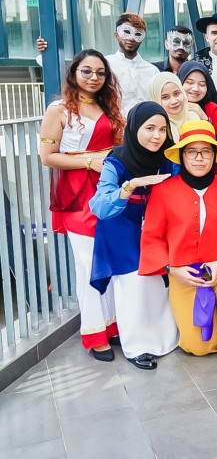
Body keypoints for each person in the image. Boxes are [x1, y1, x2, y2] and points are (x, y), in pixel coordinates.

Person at [140, 120, 217, 382]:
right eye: (192, 151)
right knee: (198, 347)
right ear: (182, 155)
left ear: (214, 155)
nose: (199, 158)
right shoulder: (163, 192)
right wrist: (172, 269)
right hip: (184, 273)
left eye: (206, 151)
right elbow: (152, 237)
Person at [39, 49, 125, 360]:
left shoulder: (109, 106)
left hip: (108, 189)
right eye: (86, 71)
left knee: (111, 261)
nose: (93, 77)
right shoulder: (59, 110)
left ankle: (112, 326)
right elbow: (48, 157)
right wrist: (90, 161)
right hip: (76, 195)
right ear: (74, 72)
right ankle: (93, 333)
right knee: (88, 264)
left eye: (100, 72)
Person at [88, 102, 177, 370]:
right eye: (149, 128)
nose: (157, 136)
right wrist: (131, 185)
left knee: (160, 285)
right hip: (121, 230)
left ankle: (167, 339)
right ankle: (137, 346)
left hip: (156, 229)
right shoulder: (116, 161)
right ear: (135, 128)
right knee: (135, 285)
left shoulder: (169, 158)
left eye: (162, 129)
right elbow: (100, 206)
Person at [178, 60, 217, 176]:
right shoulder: (173, 105)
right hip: (178, 172)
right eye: (189, 82)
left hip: (213, 172)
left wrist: (205, 119)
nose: (195, 88)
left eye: (202, 84)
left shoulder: (213, 109)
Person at [105, 12, 159, 116]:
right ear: (116, 35)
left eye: (138, 34)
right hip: (112, 126)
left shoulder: (152, 71)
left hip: (144, 126)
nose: (131, 38)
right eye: (126, 32)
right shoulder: (105, 65)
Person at [148, 72, 202, 140]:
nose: (174, 101)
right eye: (165, 97)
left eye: (176, 94)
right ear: (156, 100)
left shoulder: (194, 117)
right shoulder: (156, 127)